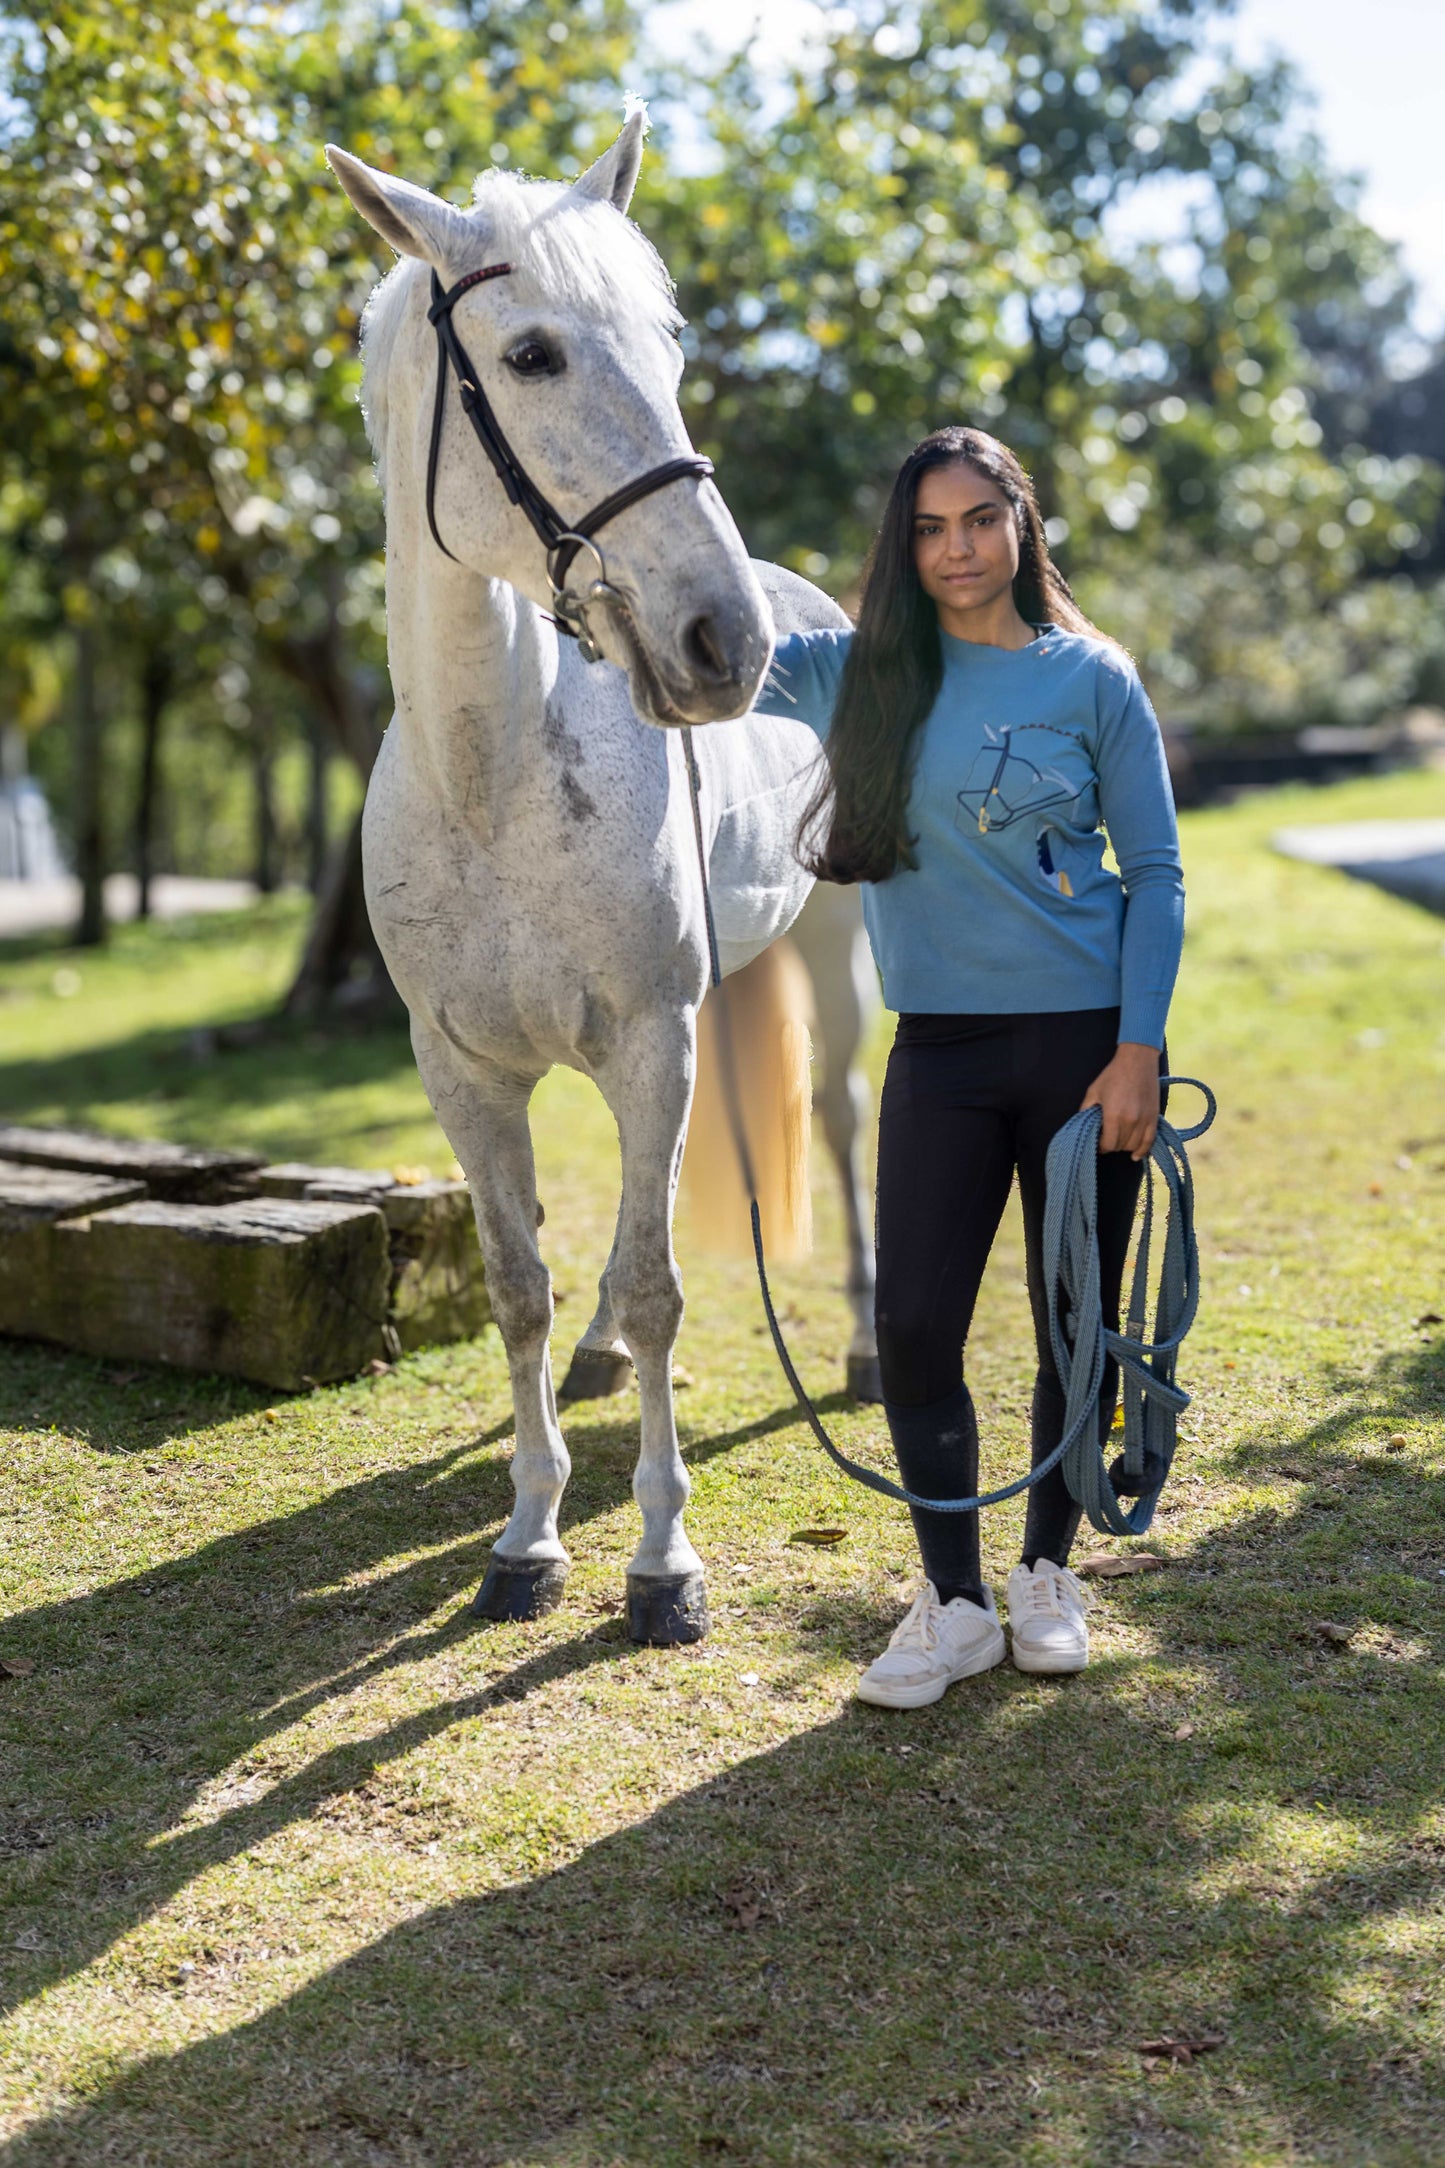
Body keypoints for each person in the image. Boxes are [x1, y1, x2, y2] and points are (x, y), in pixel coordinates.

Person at [757, 425, 1184, 1708]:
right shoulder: (855, 671)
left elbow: (1155, 875)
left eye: (977, 521)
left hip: (1082, 1045)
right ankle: (952, 1603)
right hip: (936, 1048)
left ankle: (1046, 1573)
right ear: (904, 541)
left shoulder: (1090, 677)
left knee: (1076, 1318)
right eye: (929, 529)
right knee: (912, 1324)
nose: (955, 550)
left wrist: (1136, 1054)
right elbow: (693, 659)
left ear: (1018, 522)